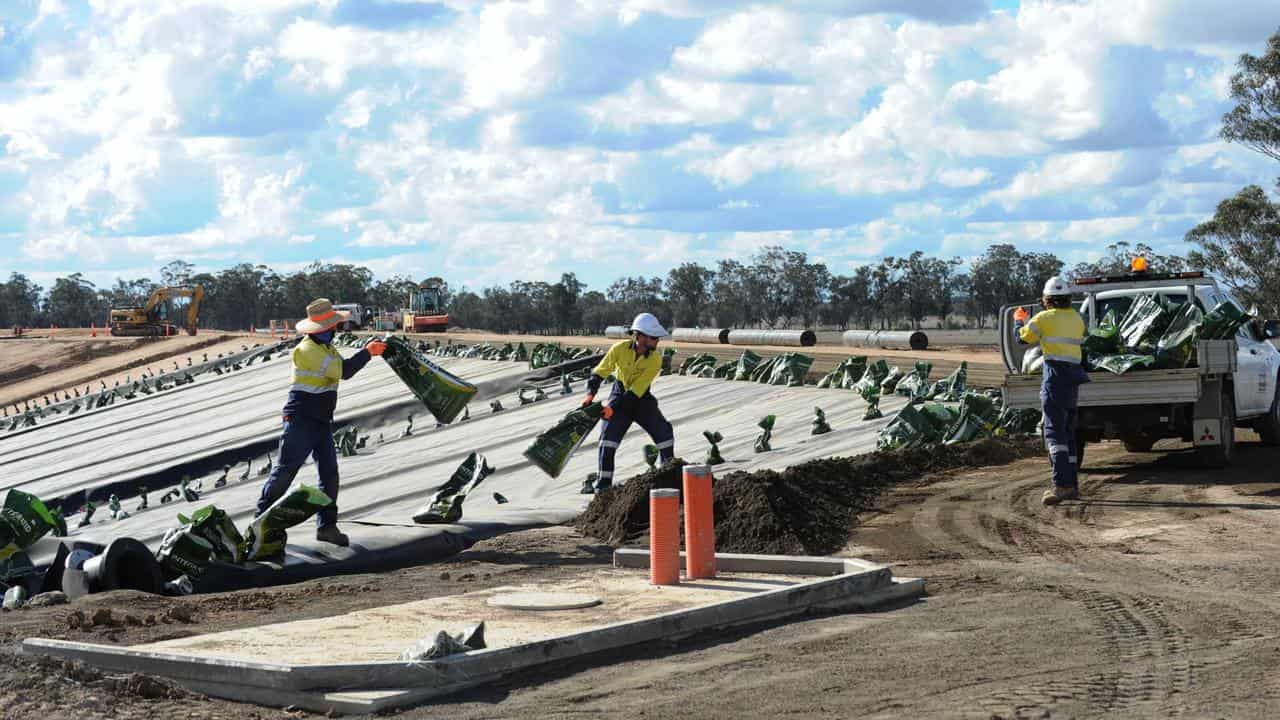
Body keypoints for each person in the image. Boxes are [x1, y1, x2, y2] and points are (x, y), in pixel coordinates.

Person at [256, 298, 386, 546]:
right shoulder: (308, 350)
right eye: (333, 326)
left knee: (329, 474)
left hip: (321, 422)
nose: (335, 329)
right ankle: (260, 524)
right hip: (301, 420)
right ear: (323, 329)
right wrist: (368, 352)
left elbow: (340, 367)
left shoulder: (326, 348)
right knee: (285, 473)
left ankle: (327, 527)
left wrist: (368, 351)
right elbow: (344, 371)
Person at [1015, 276, 1090, 506]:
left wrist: (1019, 320)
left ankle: (1061, 486)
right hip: (1073, 379)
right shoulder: (1078, 319)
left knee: (1055, 433)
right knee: (1068, 432)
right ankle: (1072, 485)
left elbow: (1022, 339)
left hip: (1055, 378)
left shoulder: (1043, 318)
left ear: (1046, 299)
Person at [581, 312, 675, 493]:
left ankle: (668, 479)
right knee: (607, 442)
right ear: (639, 336)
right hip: (619, 392)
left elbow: (635, 393)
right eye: (654, 337)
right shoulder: (619, 349)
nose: (657, 341)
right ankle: (603, 488)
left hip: (641, 400)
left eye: (657, 338)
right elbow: (600, 372)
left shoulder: (655, 359)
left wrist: (610, 408)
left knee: (665, 435)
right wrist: (590, 395)